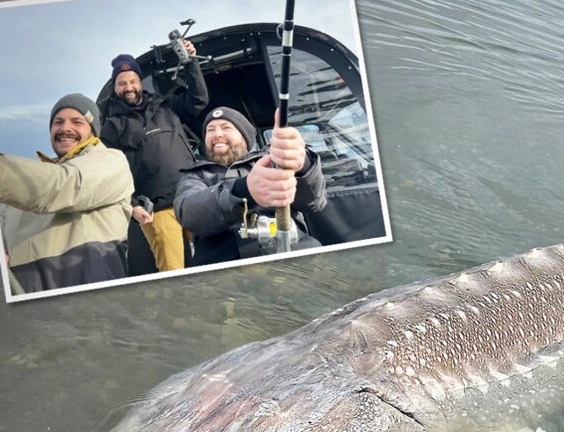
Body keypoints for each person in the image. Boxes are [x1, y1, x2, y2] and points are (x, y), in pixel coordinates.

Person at [0, 94, 133, 294]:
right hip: (24, 306)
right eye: (58, 122)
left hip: (87, 301)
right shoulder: (20, 190)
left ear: (93, 131)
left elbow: (63, 185)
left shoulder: (110, 161)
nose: (65, 128)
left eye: (77, 122)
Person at [100, 42, 208, 275]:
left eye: (132, 81)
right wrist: (132, 206)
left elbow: (198, 100)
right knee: (174, 274)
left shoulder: (165, 105)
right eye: (122, 83)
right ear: (115, 88)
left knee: (213, 257)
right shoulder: (112, 127)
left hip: (192, 197)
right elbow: (108, 175)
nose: (128, 87)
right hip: (157, 211)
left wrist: (191, 62)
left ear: (139, 82)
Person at [175, 106, 325, 266]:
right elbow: (189, 213)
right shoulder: (194, 176)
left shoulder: (272, 160)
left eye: (226, 128)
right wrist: (243, 190)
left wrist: (301, 163)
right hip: (224, 273)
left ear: (245, 137)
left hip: (297, 260)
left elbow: (314, 200)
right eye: (210, 130)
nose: (217, 134)